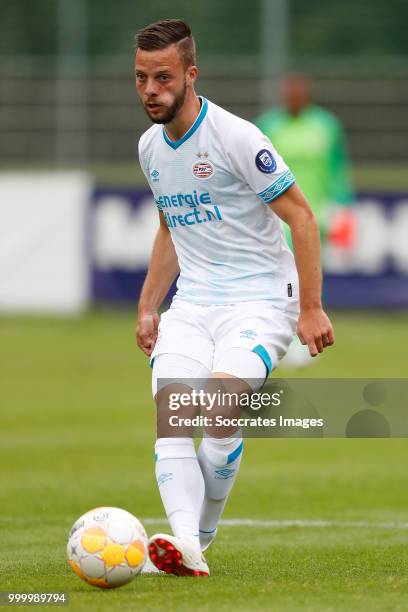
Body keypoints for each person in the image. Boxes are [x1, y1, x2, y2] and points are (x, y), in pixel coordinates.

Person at [135, 20, 334, 577]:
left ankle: (198, 538)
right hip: (193, 304)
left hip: (260, 302)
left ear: (191, 74)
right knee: (172, 414)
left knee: (221, 411)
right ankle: (183, 549)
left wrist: (312, 306)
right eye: (142, 77)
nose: (151, 89)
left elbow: (301, 215)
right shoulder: (150, 147)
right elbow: (170, 228)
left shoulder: (237, 137)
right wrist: (150, 304)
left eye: (164, 77)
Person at [255, 74, 354, 367]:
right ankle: (288, 332)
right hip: (281, 212)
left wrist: (343, 205)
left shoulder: (326, 126)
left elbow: (338, 166)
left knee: (308, 273)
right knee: (285, 273)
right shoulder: (269, 125)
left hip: (318, 211)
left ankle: (305, 328)